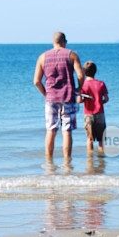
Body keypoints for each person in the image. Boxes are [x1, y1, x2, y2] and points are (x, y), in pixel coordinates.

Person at [33, 31, 85, 159]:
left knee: (51, 130)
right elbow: (80, 75)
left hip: (51, 99)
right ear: (64, 42)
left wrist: (46, 94)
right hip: (68, 97)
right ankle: (67, 162)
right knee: (67, 131)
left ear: (53, 42)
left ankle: (49, 161)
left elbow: (36, 81)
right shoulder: (72, 55)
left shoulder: (42, 57)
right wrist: (79, 89)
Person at [80, 61, 109, 155]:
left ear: (84, 72)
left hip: (88, 114)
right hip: (100, 114)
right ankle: (101, 161)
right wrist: (100, 102)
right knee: (101, 140)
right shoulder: (101, 83)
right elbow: (106, 99)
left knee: (89, 139)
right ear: (95, 71)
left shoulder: (83, 85)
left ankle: (90, 161)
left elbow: (79, 100)